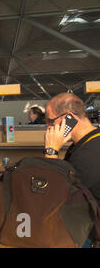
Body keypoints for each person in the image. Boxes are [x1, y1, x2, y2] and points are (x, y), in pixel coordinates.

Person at [43, 93, 100, 248]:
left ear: (69, 117)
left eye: (50, 121)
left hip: (89, 235)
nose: (48, 127)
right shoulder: (85, 142)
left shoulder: (91, 152)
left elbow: (56, 196)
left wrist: (51, 151)